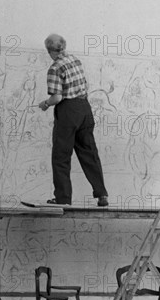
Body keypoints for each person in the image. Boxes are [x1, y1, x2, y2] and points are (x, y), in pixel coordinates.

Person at [38, 34, 108, 206]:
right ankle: (102, 194)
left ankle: (63, 199)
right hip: (85, 109)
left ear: (49, 51)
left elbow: (57, 98)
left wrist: (45, 104)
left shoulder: (55, 69)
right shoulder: (75, 60)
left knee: (61, 156)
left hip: (68, 111)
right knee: (89, 152)